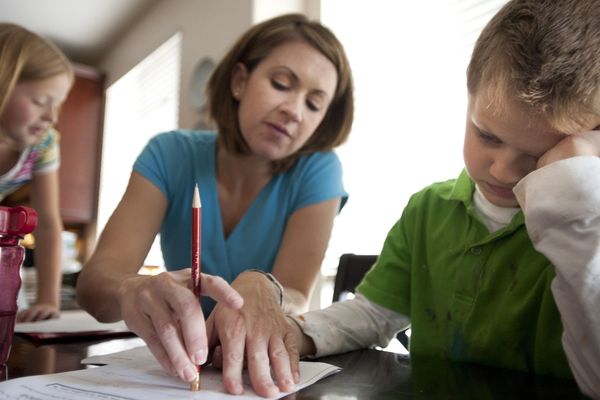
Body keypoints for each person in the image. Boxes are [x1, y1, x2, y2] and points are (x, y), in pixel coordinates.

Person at [235, 1, 600, 398]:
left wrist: (576, 203)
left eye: (536, 157)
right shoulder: (428, 210)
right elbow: (374, 314)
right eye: (487, 136)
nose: (501, 171)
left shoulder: (582, 226)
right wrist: (297, 331)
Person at [76, 13, 353, 397]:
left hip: (250, 375)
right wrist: (129, 289)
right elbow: (95, 287)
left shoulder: (319, 170)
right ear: (239, 81)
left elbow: (296, 294)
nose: (294, 110)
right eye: (280, 84)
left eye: (314, 103)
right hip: (177, 373)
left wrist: (265, 286)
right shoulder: (168, 154)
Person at [0, 23, 73, 322]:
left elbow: (47, 224)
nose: (52, 116)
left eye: (57, 104)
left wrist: (47, 300)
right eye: (41, 101)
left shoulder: (42, 144)